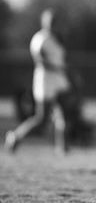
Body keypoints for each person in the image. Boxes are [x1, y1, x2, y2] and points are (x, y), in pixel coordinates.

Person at [5, 9, 71, 154]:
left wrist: (65, 69)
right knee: (41, 119)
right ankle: (15, 137)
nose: (54, 23)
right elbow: (39, 60)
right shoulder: (40, 38)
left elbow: (63, 58)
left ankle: (62, 148)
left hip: (59, 80)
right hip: (46, 80)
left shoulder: (57, 39)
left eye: (55, 21)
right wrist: (57, 67)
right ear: (44, 21)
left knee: (64, 113)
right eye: (51, 20)